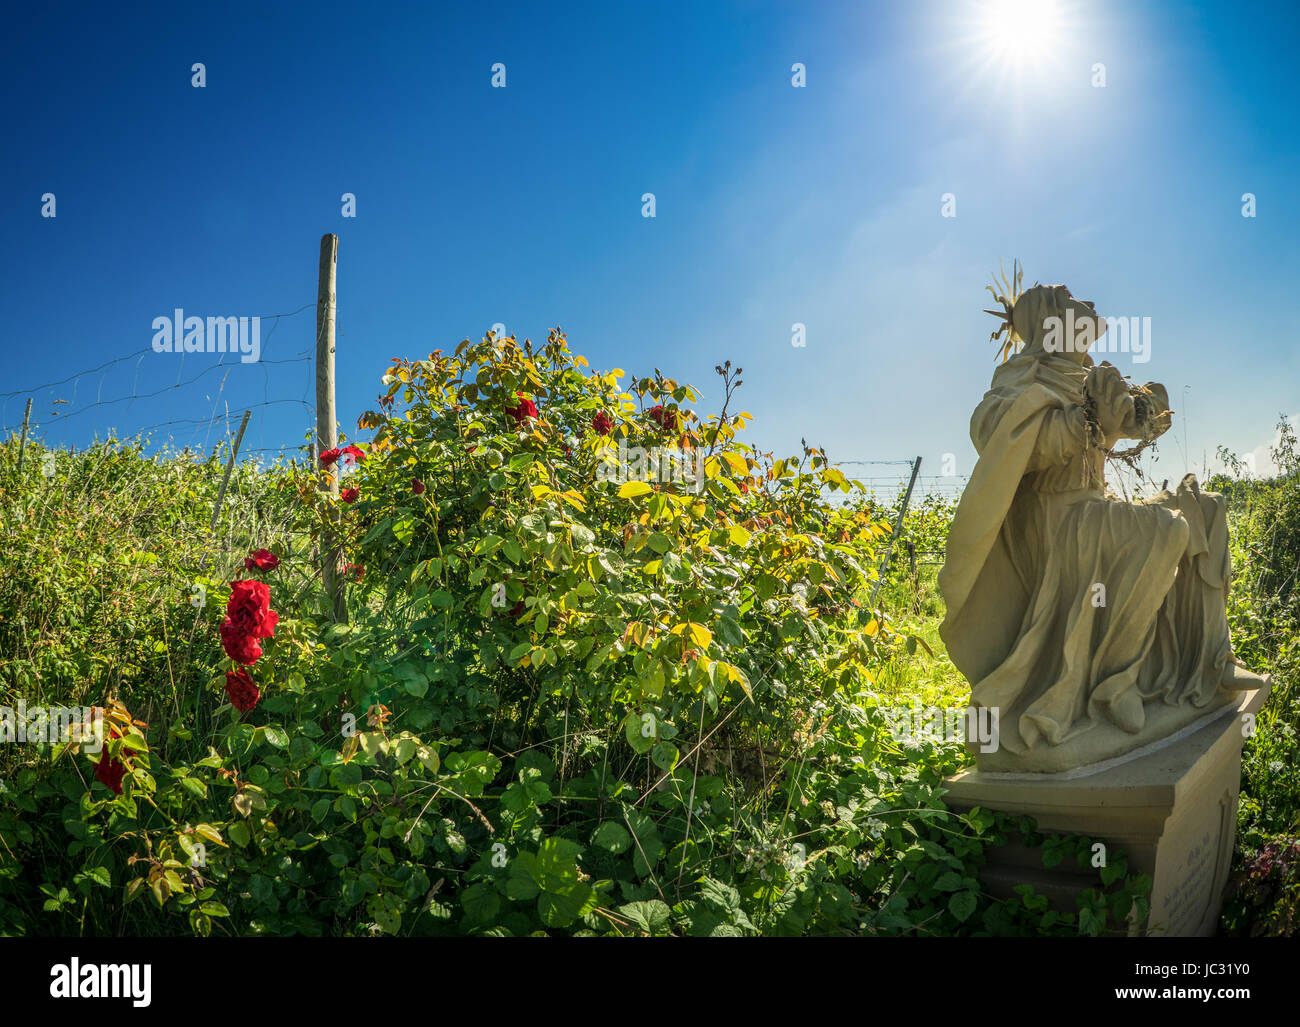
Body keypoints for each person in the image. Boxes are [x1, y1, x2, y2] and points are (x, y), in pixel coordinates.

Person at [938, 283, 1267, 771]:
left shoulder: (1088, 374)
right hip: (1058, 525)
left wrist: (1143, 413)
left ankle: (1210, 659)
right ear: (1049, 319)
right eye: (1067, 296)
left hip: (1098, 509)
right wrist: (1087, 423)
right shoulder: (1021, 378)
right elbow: (1003, 439)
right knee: (1166, 530)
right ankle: (1115, 683)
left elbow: (1132, 423)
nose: (1086, 300)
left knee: (1205, 507)